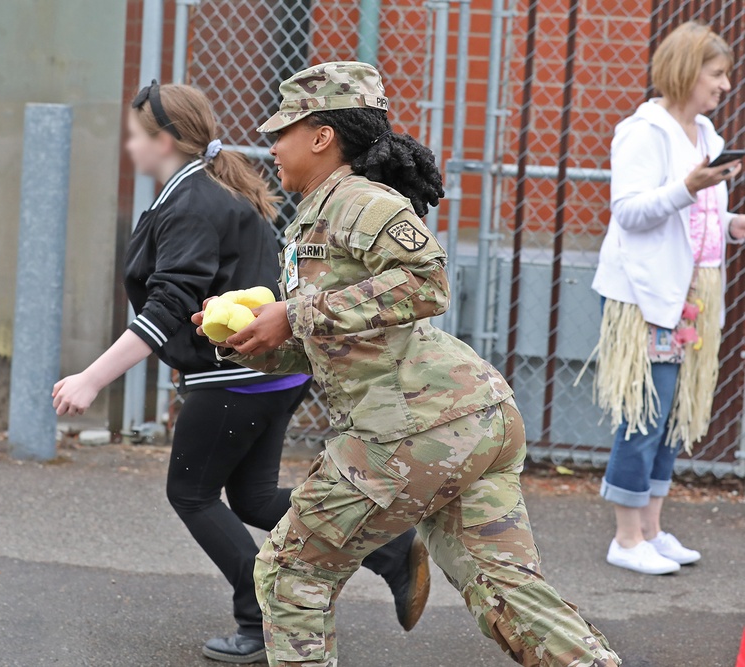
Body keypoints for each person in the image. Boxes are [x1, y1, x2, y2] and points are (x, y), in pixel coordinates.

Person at [192, 61, 620, 667]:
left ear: (322, 136)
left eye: (281, 131)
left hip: (413, 429)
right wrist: (253, 341)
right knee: (508, 595)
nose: (271, 145)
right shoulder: (317, 214)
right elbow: (333, 336)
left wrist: (298, 315)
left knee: (291, 573)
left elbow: (428, 281)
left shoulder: (360, 202)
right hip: (464, 421)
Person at [51, 80, 429, 664]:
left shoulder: (193, 203)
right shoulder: (203, 192)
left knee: (192, 494)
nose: (128, 148)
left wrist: (91, 378)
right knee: (252, 498)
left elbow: (168, 306)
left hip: (236, 379)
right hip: (267, 375)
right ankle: (390, 548)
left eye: (134, 136)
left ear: (166, 140)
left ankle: (262, 619)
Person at [590, 22, 745, 575]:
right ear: (686, 71)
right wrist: (691, 187)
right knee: (645, 413)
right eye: (718, 73)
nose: (726, 85)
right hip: (646, 294)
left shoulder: (702, 130)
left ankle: (652, 530)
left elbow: (696, 216)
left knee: (677, 413)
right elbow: (629, 211)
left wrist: (731, 225)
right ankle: (626, 538)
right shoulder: (643, 131)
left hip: (694, 291)